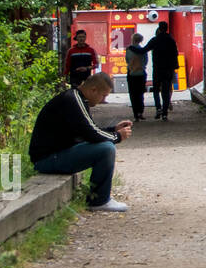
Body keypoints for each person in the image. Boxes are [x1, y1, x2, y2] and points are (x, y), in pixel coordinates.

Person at [28, 72, 133, 212]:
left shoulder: (76, 98)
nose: (103, 100)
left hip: (55, 154)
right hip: (47, 159)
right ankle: (99, 200)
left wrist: (113, 129)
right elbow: (91, 133)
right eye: (103, 95)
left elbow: (88, 130)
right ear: (93, 90)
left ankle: (99, 197)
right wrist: (117, 136)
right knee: (106, 149)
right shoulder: (74, 100)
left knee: (105, 146)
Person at [145, 22, 180, 121]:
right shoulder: (171, 40)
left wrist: (132, 48)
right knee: (166, 91)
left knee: (156, 90)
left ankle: (158, 108)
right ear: (167, 28)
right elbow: (175, 53)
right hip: (168, 69)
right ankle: (165, 113)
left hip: (157, 68)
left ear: (159, 29)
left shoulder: (155, 40)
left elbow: (145, 49)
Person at [125, 33, 149, 122]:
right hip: (141, 74)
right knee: (140, 93)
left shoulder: (129, 50)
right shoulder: (143, 50)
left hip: (131, 73)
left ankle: (135, 114)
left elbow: (127, 60)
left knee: (133, 94)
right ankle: (140, 112)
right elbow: (146, 62)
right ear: (140, 40)